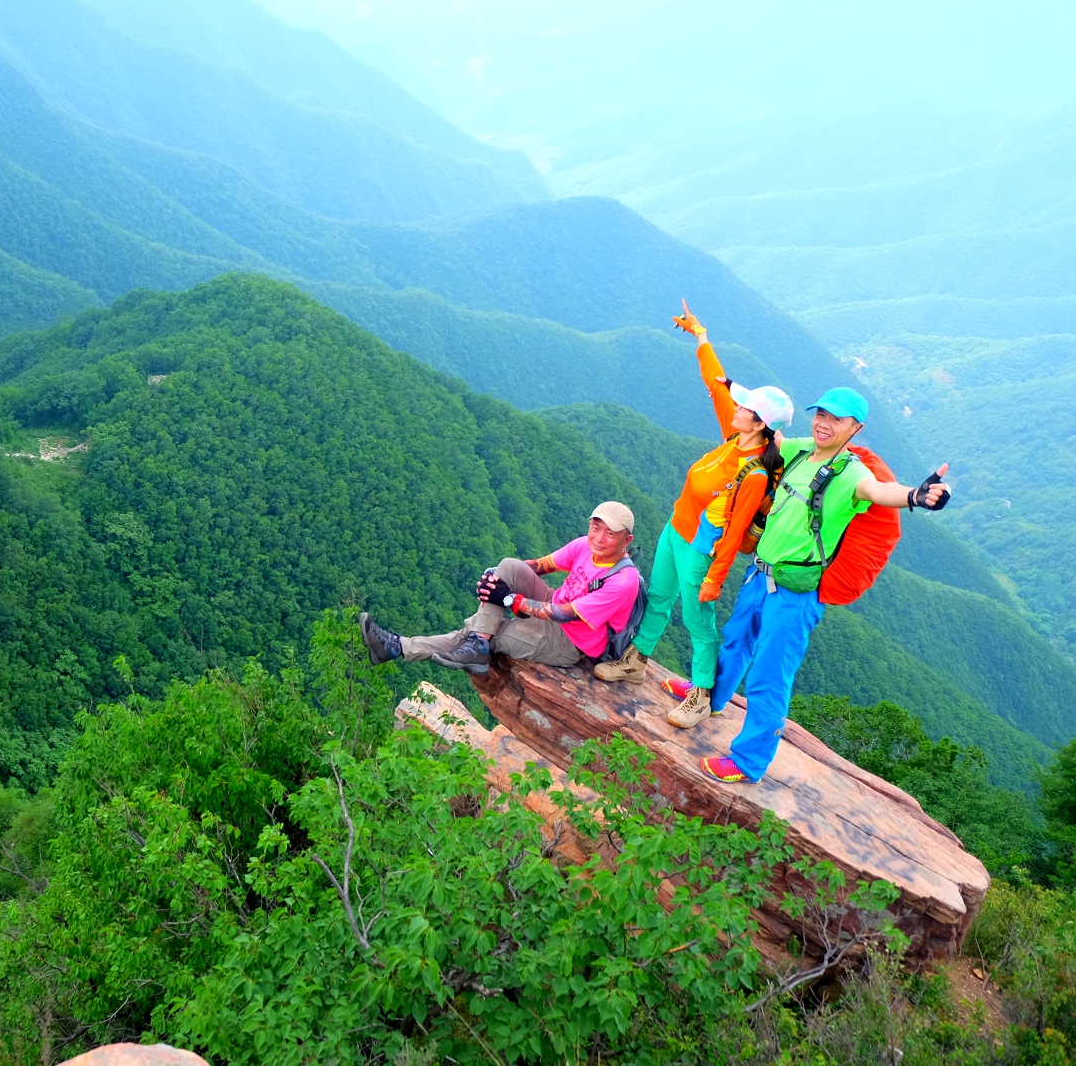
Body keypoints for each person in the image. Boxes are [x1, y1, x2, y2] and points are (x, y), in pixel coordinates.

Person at [701, 388, 953, 785]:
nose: (824, 422)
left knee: (769, 676)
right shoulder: (801, 451)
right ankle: (709, 699)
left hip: (795, 592)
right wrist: (729, 384)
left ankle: (748, 762)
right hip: (760, 574)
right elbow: (765, 430)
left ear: (856, 428)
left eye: (837, 418)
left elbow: (879, 492)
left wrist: (916, 497)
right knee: (735, 641)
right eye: (821, 413)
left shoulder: (852, 473)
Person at [593, 302, 793, 730]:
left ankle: (702, 695)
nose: (735, 405)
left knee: (697, 621)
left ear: (758, 424)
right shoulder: (733, 436)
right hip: (674, 530)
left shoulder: (754, 473)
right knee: (659, 599)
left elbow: (736, 529)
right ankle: (636, 661)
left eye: (745, 406)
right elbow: (715, 383)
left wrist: (714, 579)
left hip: (701, 548)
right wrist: (701, 336)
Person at [360, 502, 644, 673]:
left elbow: (563, 614)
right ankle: (477, 645)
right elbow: (540, 565)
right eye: (596, 527)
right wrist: (495, 576)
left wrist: (509, 598)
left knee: (486, 634)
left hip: (569, 642)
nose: (599, 537)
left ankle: (398, 647)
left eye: (610, 533)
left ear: (626, 540)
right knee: (508, 565)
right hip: (550, 605)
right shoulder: (586, 546)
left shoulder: (622, 582)